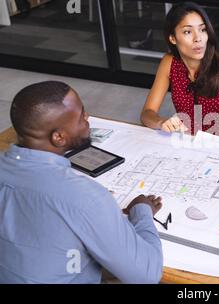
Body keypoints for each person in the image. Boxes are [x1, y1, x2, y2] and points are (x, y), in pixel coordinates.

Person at [0, 81, 163, 283]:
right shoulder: (87, 199)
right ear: (58, 137)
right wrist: (142, 211)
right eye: (81, 116)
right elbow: (148, 275)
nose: (87, 118)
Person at [140, 2, 219, 141]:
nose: (198, 38)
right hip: (189, 142)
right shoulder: (169, 63)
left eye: (202, 30)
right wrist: (161, 123)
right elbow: (146, 113)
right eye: (187, 31)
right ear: (173, 38)